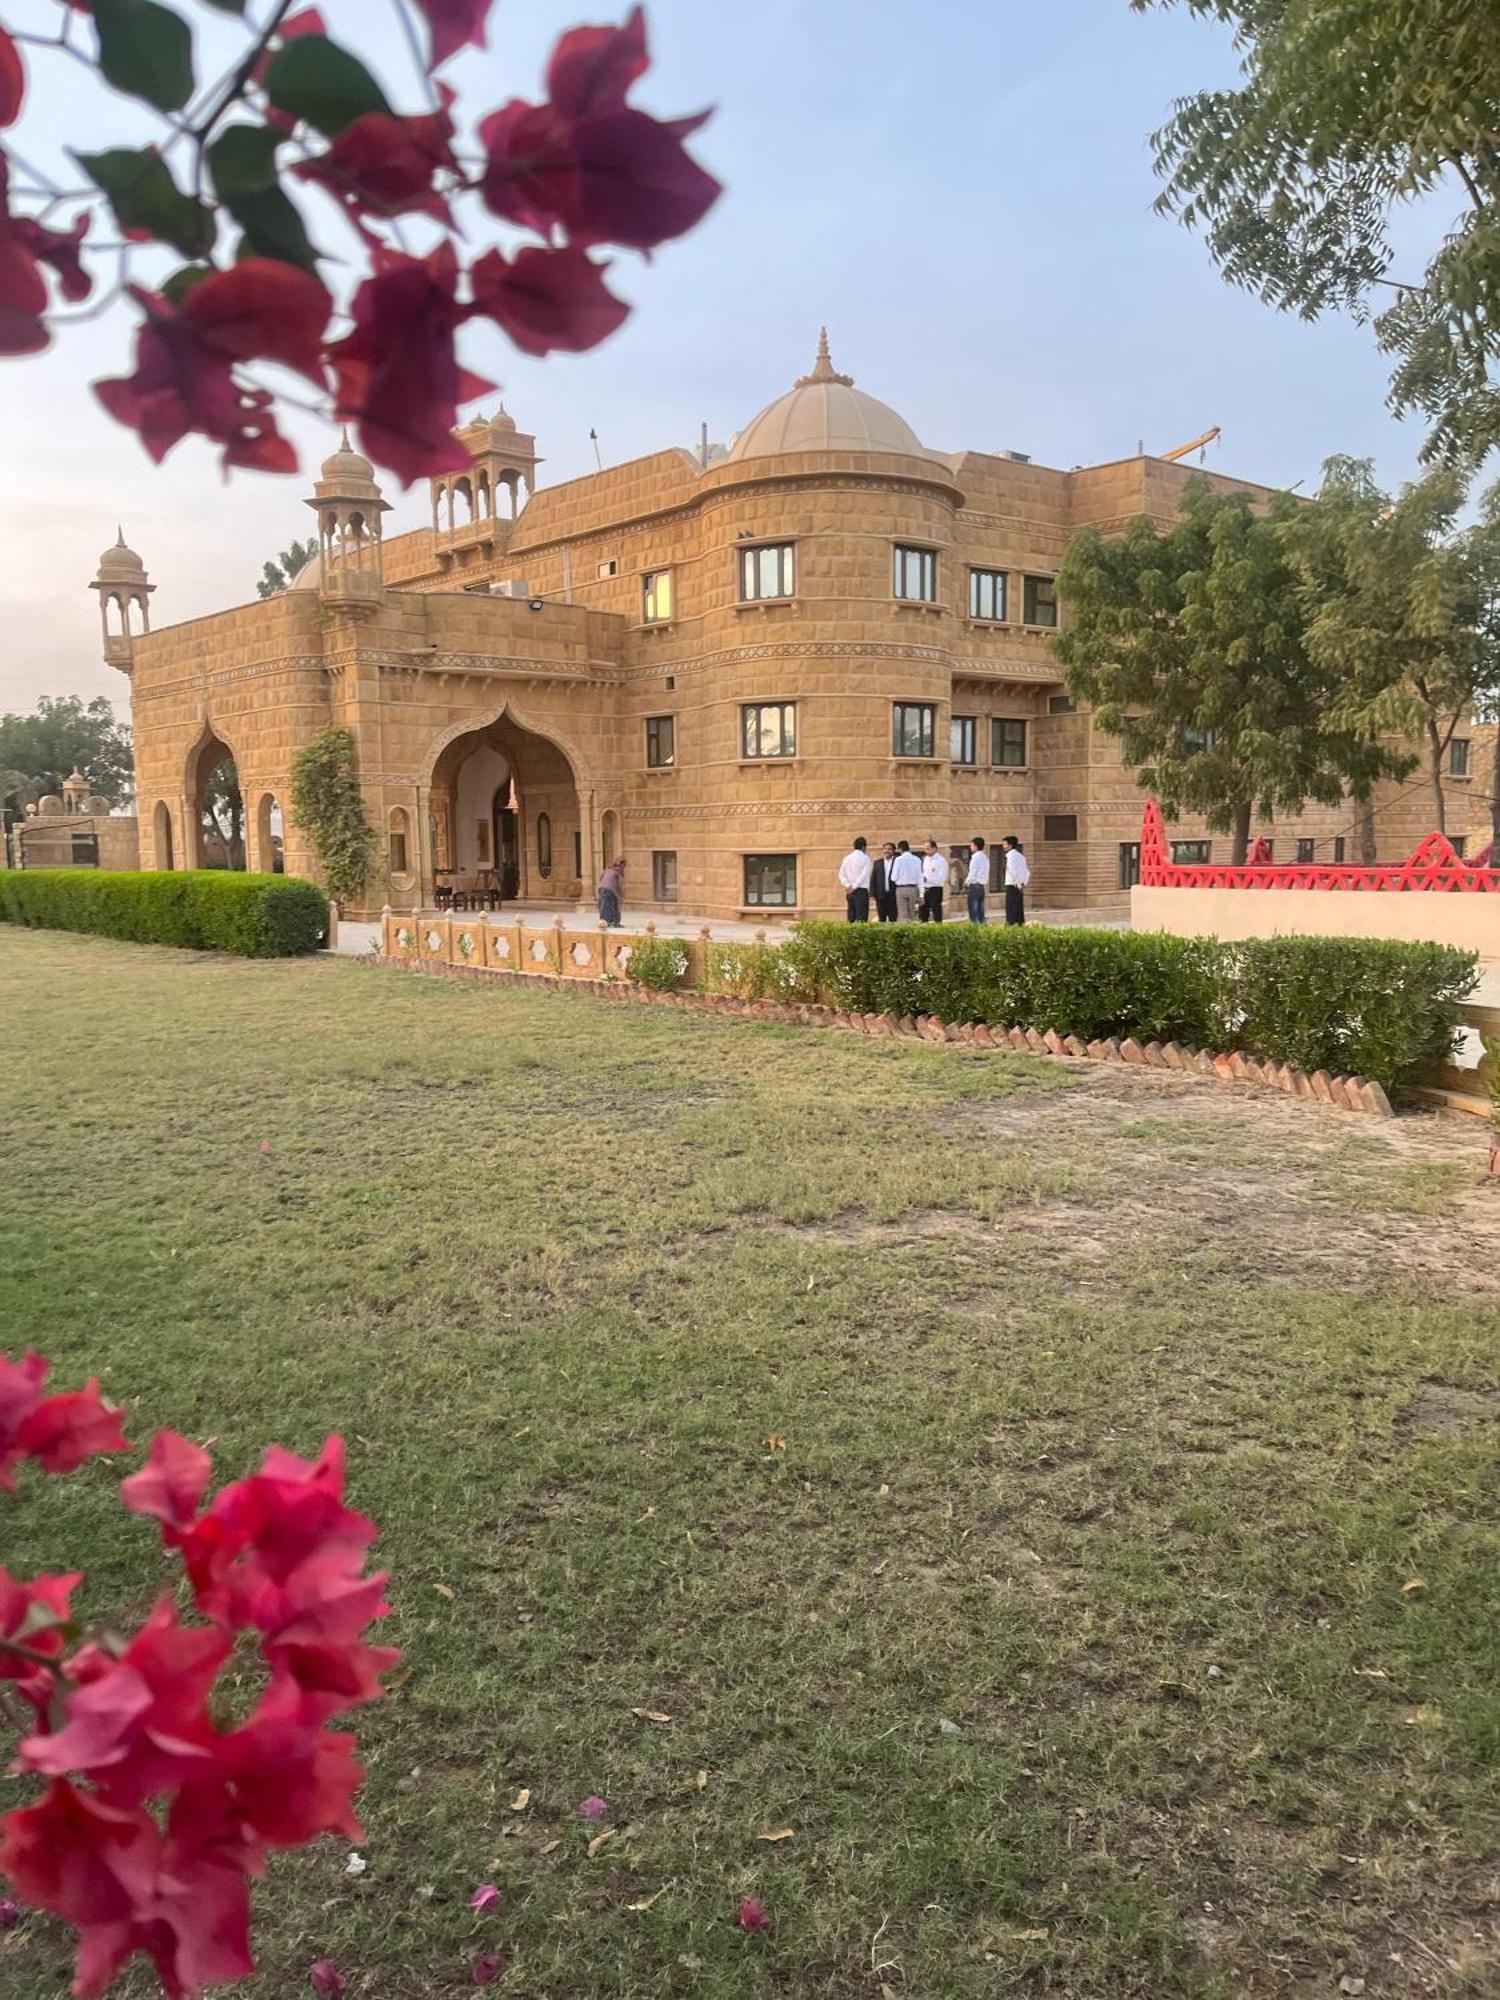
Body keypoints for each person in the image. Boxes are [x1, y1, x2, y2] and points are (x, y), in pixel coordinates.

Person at [838, 835, 873, 922]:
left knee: (851, 914)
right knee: (862, 916)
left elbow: (841, 875)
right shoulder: (865, 858)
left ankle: (850, 934)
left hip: (849, 891)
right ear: (864, 847)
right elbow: (864, 875)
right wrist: (854, 886)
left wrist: (848, 885)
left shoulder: (847, 858)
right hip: (861, 890)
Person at [890, 839, 922, 922]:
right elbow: (920, 877)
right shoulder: (917, 859)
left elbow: (893, 877)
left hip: (901, 888)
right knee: (912, 913)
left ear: (900, 849)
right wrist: (921, 894)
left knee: (902, 913)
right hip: (913, 888)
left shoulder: (898, 860)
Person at [1001, 835, 1029, 925]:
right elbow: (1027, 872)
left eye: (1004, 844)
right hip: (1019, 886)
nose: (1003, 846)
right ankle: (1020, 928)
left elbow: (1012, 871)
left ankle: (1011, 929)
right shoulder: (1021, 856)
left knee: (1011, 910)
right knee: (1018, 910)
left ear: (1010, 845)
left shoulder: (1010, 856)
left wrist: (1018, 885)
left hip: (1012, 886)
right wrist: (1023, 883)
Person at [920, 838, 947, 922]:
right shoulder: (925, 859)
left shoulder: (941, 861)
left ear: (934, 848)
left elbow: (942, 879)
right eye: (924, 849)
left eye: (928, 848)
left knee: (936, 912)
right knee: (923, 913)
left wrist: (927, 879)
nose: (926, 851)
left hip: (935, 889)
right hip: (924, 889)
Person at [871, 841, 898, 923]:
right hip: (880, 895)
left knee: (893, 918)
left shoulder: (897, 862)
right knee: (881, 919)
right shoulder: (877, 863)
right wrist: (872, 893)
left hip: (893, 895)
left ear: (893, 851)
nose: (887, 851)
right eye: (885, 849)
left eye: (889, 849)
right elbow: (873, 879)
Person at [964, 836, 989, 924]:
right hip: (981, 887)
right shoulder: (985, 857)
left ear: (976, 846)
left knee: (973, 912)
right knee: (980, 911)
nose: (970, 847)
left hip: (974, 886)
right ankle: (983, 929)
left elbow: (972, 873)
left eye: (972, 845)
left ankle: (974, 930)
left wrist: (966, 882)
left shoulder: (975, 858)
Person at [597, 855, 626, 927]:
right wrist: (621, 895)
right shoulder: (618, 872)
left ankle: (604, 922)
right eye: (624, 866)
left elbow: (600, 877)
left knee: (604, 906)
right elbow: (619, 885)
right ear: (622, 865)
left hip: (602, 889)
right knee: (614, 906)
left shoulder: (608, 869)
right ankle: (616, 923)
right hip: (610, 890)